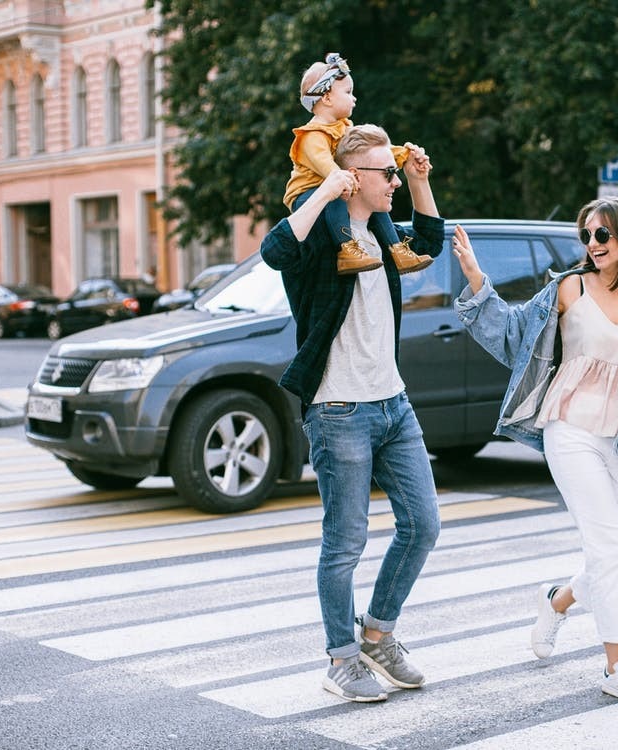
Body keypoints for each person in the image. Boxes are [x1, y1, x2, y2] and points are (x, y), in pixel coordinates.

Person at [452, 197, 618, 704]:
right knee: (609, 550)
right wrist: (474, 279)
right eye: (587, 236)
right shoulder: (568, 288)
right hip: (570, 429)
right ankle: (617, 667)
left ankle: (558, 600)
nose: (593, 245)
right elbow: (512, 336)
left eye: (603, 235)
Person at [260, 123, 444, 703]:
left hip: (393, 402)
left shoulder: (384, 235)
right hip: (339, 407)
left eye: (394, 170)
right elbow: (274, 252)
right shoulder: (323, 237)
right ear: (351, 178)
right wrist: (324, 190)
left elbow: (431, 243)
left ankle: (378, 635)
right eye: (384, 172)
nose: (391, 179)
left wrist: (418, 184)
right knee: (345, 543)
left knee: (423, 525)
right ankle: (341, 658)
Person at [283, 52, 431, 276]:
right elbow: (326, 166)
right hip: (307, 195)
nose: (354, 98)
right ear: (327, 98)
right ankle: (347, 250)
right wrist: (340, 179)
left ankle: (397, 250)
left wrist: (404, 154)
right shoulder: (311, 136)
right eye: (348, 92)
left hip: (338, 185)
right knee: (336, 198)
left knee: (373, 197)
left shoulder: (344, 128)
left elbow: (369, 151)